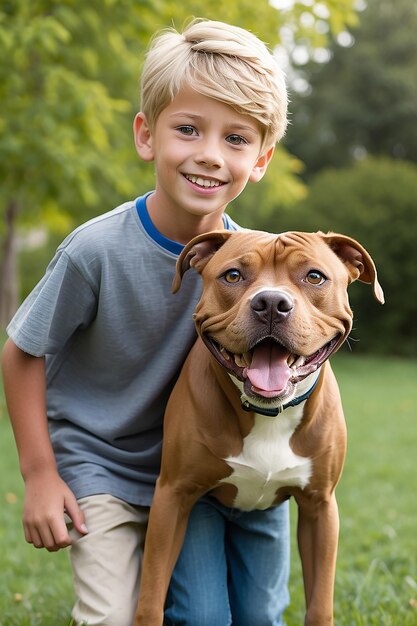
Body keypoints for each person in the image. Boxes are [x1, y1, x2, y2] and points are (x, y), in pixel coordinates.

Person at [1, 18, 289, 626]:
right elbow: (22, 351)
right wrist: (39, 475)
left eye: (236, 139)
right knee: (111, 617)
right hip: (100, 463)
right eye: (188, 129)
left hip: (193, 472)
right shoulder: (95, 250)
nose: (210, 155)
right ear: (146, 135)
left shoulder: (252, 265)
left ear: (261, 159)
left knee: (208, 613)